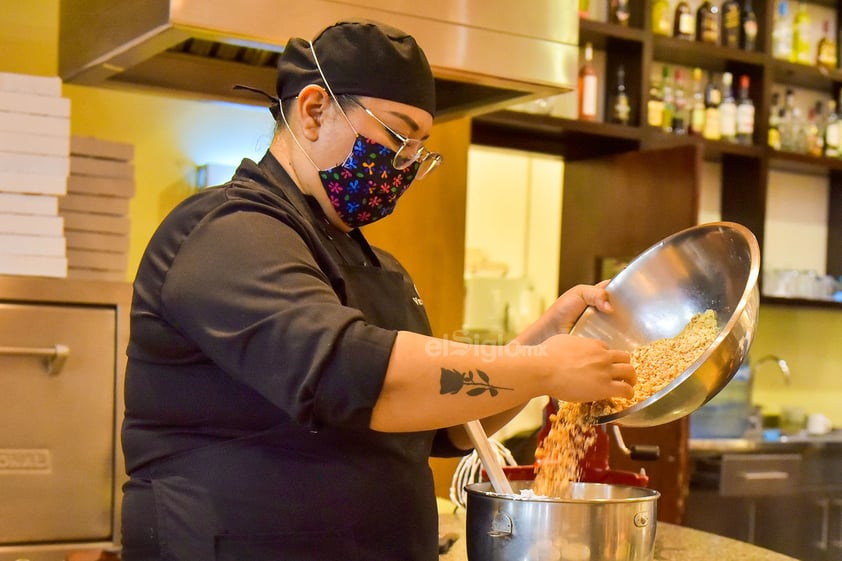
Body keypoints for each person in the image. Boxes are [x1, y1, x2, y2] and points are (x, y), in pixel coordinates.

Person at [120, 19, 636, 561]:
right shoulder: (228, 231)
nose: (405, 166)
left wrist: (543, 340)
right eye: (396, 135)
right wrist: (544, 368)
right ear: (314, 110)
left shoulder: (375, 264)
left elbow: (451, 423)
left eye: (418, 149)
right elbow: (349, 373)